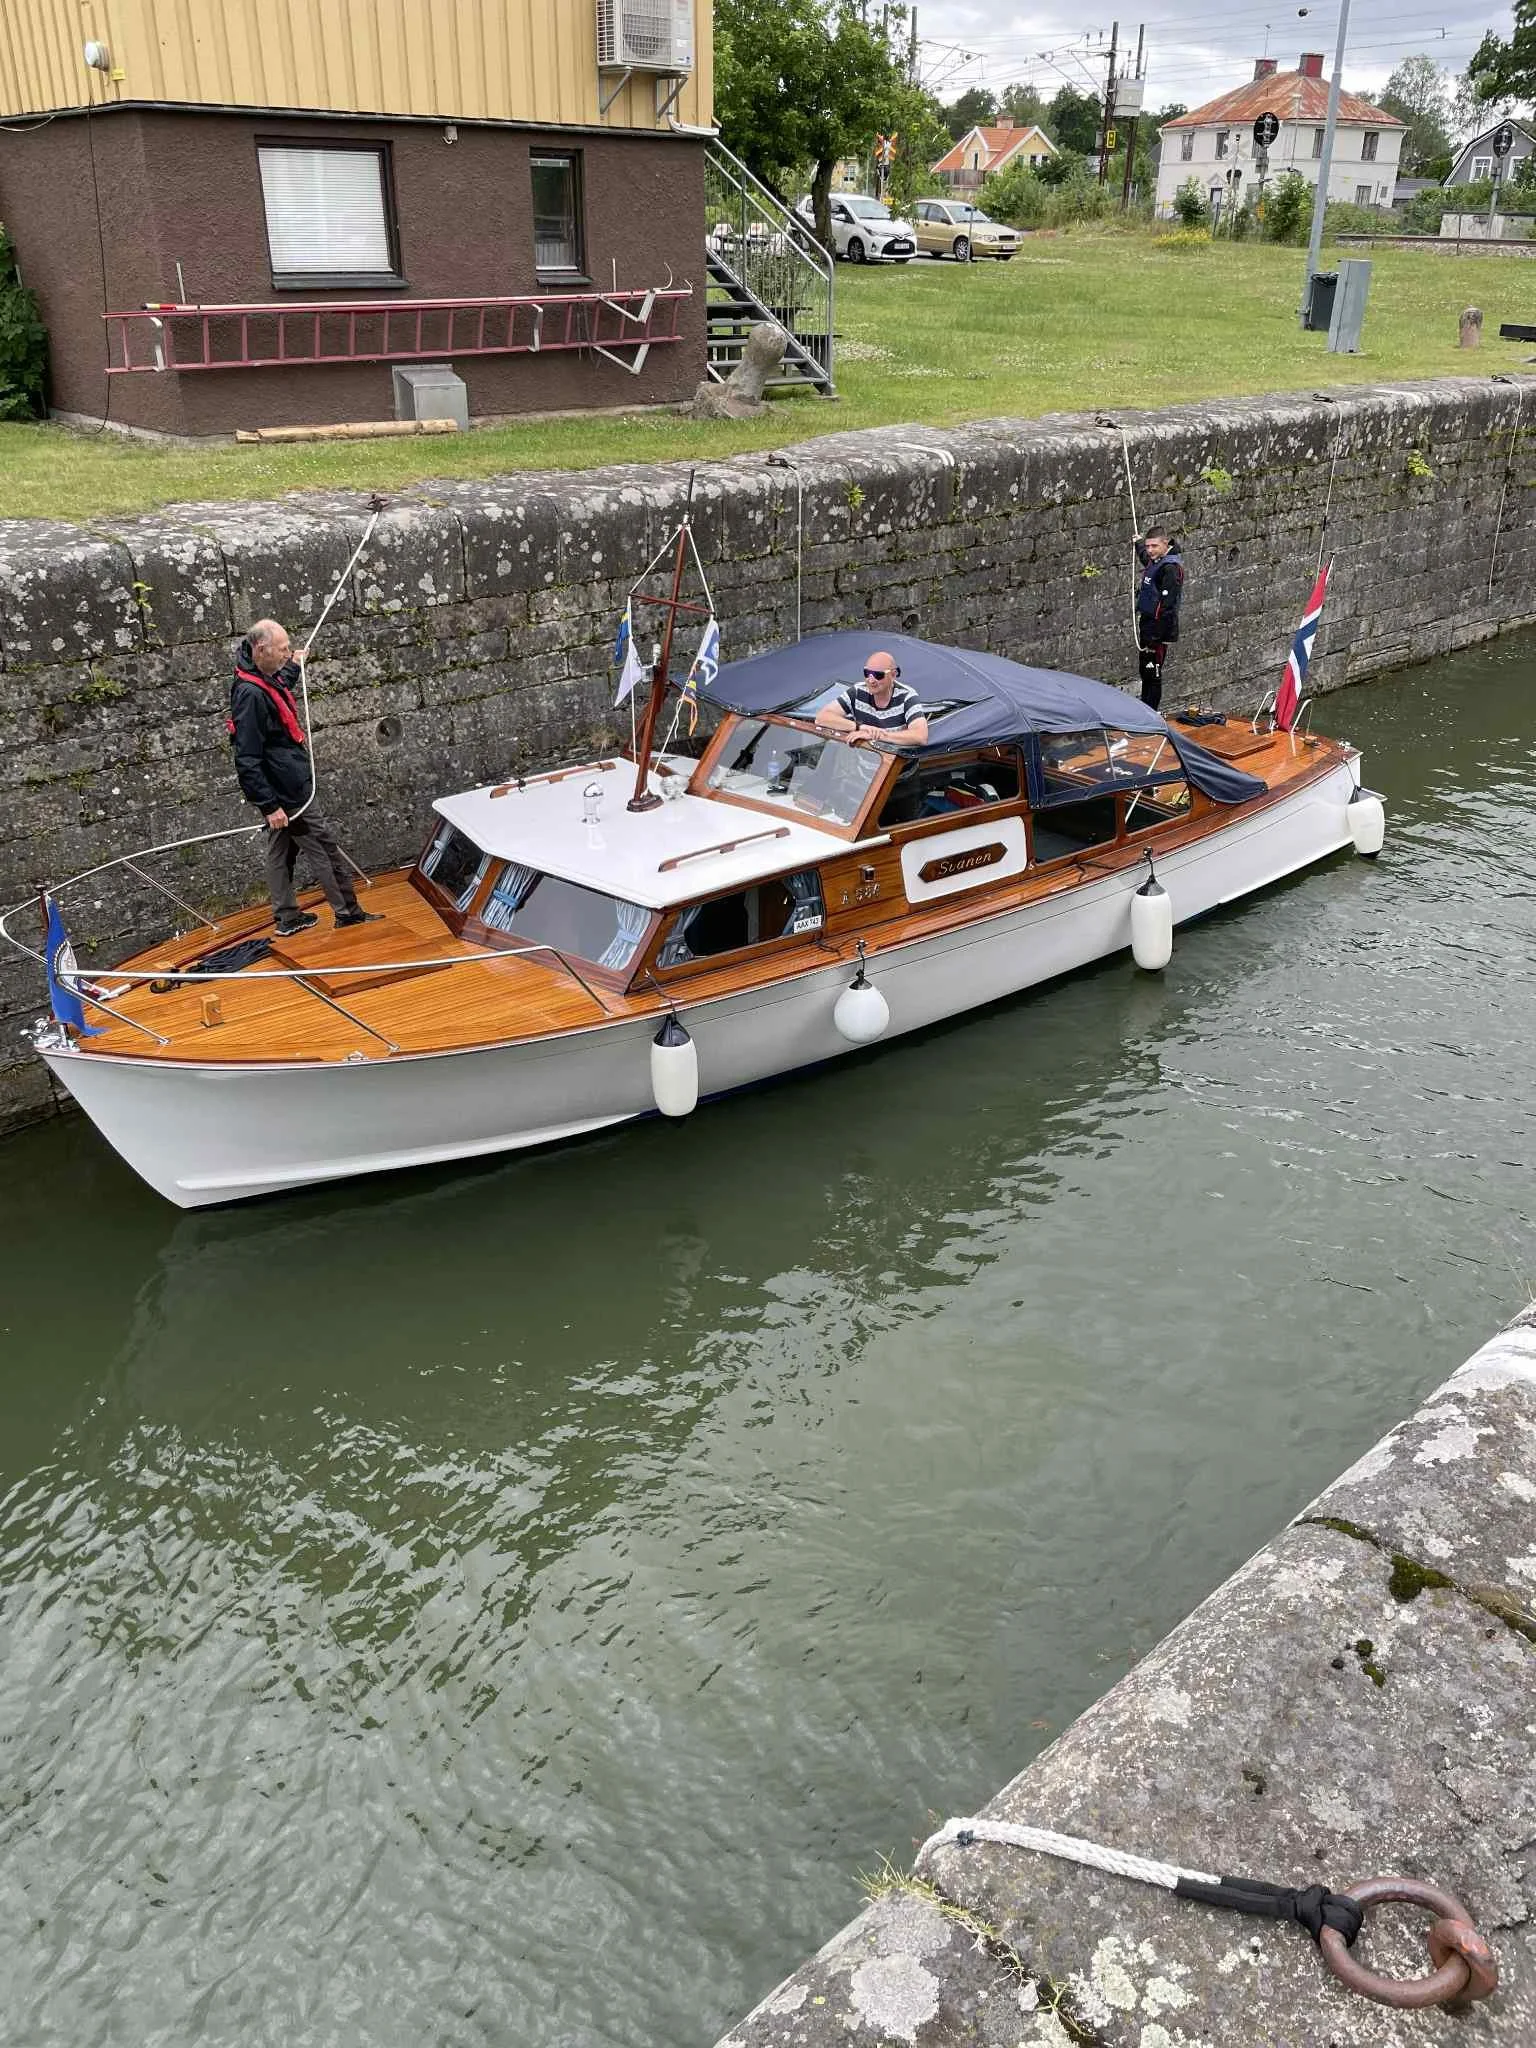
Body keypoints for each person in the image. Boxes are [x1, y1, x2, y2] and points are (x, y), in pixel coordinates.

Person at [230, 619, 380, 936]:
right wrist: (270, 806)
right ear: (262, 648)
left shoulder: (258, 675)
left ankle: (287, 918)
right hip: (288, 792)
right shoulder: (251, 695)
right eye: (283, 649)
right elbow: (247, 757)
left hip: (283, 784)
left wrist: (295, 664)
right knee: (323, 847)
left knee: (280, 852)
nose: (287, 654)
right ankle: (348, 913)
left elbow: (279, 686)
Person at [815, 650, 930, 746]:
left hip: (899, 770)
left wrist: (876, 735)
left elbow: (920, 736)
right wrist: (860, 727)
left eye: (878, 675)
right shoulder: (858, 691)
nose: (871, 680)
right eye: (867, 673)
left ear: (893, 675)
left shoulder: (907, 697)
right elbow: (821, 718)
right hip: (867, 770)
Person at [1134, 527, 1184, 712]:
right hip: (1147, 626)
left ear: (1165, 543)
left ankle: (1151, 712)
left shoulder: (1171, 568)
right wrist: (1139, 544)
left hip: (1158, 631)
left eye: (1154, 546)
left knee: (1153, 672)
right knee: (1145, 671)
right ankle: (1144, 709)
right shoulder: (1156, 561)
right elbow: (1147, 560)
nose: (1150, 550)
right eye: (1148, 546)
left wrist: (1155, 637)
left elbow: (1168, 606)